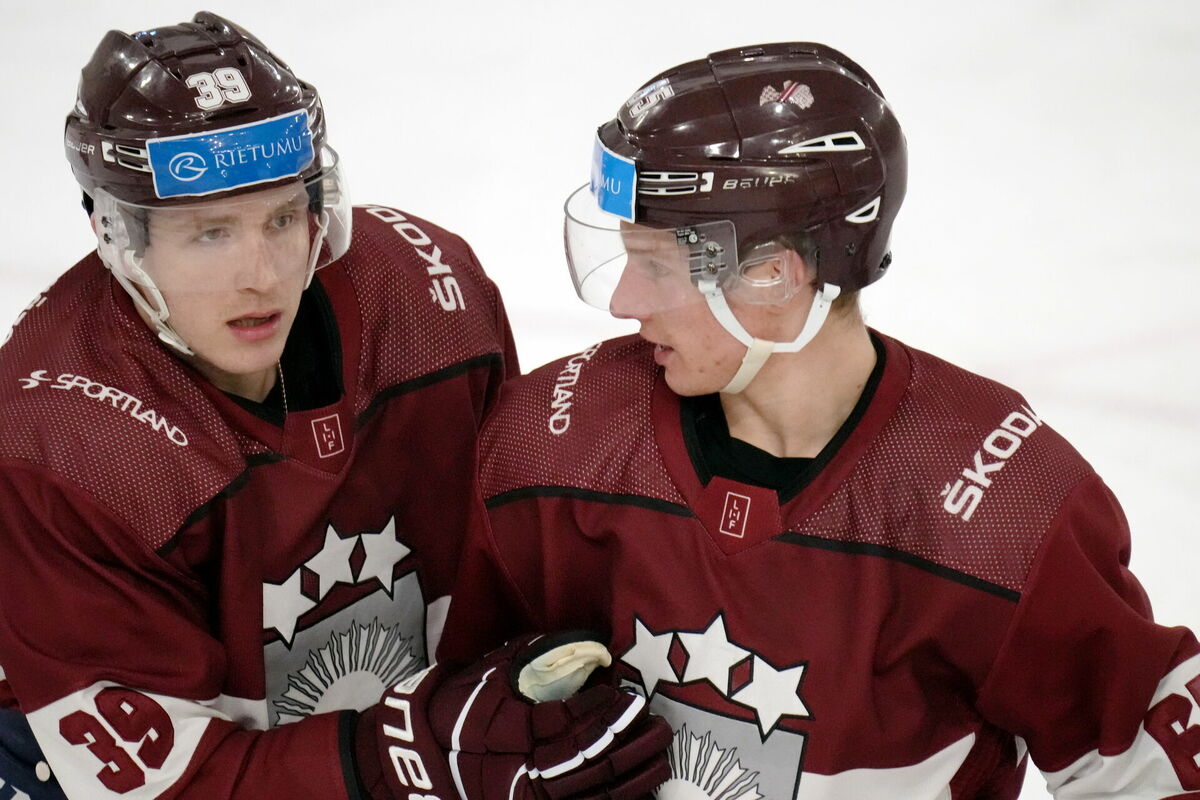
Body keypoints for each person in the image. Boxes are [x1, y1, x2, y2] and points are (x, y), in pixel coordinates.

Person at [438, 42, 1200, 798]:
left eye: (659, 267)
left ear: (775, 275)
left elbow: (1147, 772)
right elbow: (453, 723)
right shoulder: (552, 444)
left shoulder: (999, 511)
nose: (623, 302)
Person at [0, 12, 669, 800]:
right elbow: (169, 787)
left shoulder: (426, 300)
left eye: (284, 217)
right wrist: (403, 760)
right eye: (210, 234)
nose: (263, 273)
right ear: (117, 234)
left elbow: (508, 553)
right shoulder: (55, 438)